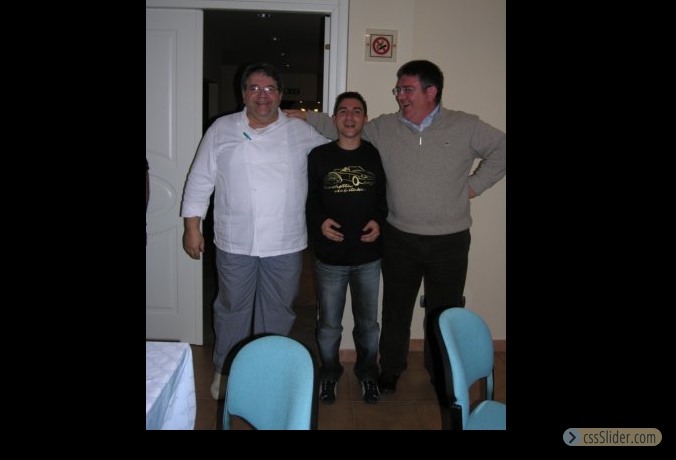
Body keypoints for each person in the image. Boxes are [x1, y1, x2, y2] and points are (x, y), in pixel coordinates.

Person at [285, 59, 506, 394]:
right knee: (395, 310)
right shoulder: (385, 127)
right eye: (398, 89)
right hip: (399, 237)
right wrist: (304, 116)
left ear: (431, 92)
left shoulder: (465, 125)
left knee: (444, 313)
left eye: (407, 89)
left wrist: (474, 187)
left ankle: (441, 373)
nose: (400, 95)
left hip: (450, 241)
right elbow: (344, 127)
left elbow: (502, 148)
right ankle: (389, 370)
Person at [180, 62, 329, 400]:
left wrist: (314, 118)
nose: (263, 95)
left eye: (270, 89)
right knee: (232, 307)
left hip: (285, 240)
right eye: (255, 88)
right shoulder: (222, 128)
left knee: (277, 310)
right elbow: (200, 178)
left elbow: (340, 145)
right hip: (234, 239)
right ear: (243, 93)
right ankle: (225, 370)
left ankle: (267, 371)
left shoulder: (299, 130)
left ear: (280, 94)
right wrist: (192, 226)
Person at [306, 92, 388, 405]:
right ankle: (329, 373)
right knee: (328, 325)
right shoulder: (319, 156)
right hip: (330, 258)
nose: (350, 117)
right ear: (334, 119)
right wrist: (320, 222)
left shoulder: (375, 155)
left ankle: (368, 374)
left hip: (368, 257)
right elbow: (311, 200)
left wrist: (378, 221)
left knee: (368, 325)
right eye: (343, 111)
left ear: (365, 118)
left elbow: (383, 199)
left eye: (356, 111)